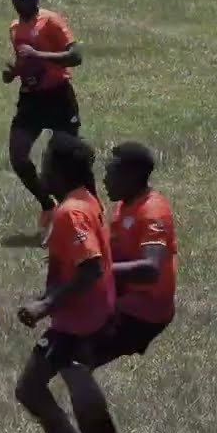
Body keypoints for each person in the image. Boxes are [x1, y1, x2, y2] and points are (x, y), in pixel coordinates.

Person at [14, 133, 126, 433]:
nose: (41, 169)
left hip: (78, 319)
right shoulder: (84, 199)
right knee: (69, 382)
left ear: (60, 171)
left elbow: (90, 266)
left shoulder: (71, 212)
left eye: (46, 163)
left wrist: (47, 304)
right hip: (89, 313)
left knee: (30, 387)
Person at [3, 0, 85, 226]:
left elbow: (76, 55)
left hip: (58, 96)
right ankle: (48, 205)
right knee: (18, 157)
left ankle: (80, 214)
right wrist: (13, 73)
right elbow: (25, 61)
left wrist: (39, 54)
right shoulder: (15, 28)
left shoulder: (51, 21)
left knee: (68, 161)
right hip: (31, 99)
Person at [91, 142, 177, 371]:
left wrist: (98, 272)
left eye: (111, 173)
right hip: (127, 299)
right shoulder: (125, 206)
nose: (105, 180)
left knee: (75, 360)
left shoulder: (152, 211)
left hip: (146, 310)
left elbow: (150, 269)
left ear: (132, 176)